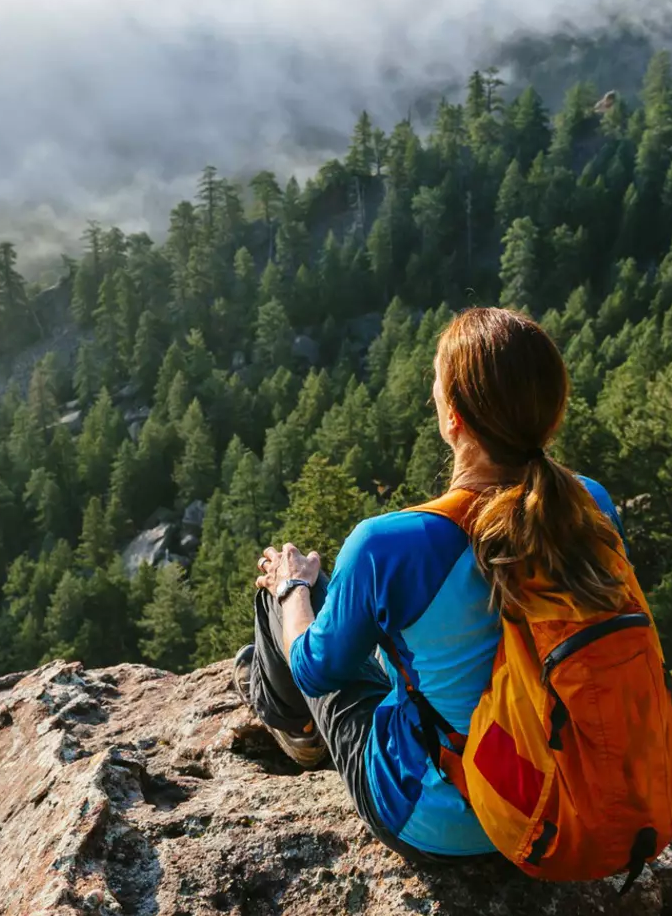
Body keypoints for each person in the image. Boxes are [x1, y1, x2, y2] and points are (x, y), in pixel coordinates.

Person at [233, 305, 629, 863]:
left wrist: (293, 589)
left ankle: (296, 729)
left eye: (438, 389)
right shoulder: (592, 506)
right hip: (568, 803)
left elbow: (314, 669)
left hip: (446, 824)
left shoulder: (391, 544)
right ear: (552, 412)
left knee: (284, 612)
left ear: (453, 419)